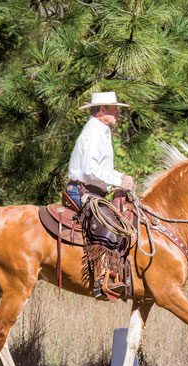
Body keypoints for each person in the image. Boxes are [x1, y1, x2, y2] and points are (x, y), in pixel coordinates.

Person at [66, 91, 134, 299]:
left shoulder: (100, 130)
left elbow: (100, 169)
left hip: (93, 190)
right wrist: (118, 181)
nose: (118, 112)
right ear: (102, 110)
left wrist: (122, 177)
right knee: (107, 221)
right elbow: (90, 170)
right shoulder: (94, 132)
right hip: (83, 191)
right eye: (114, 108)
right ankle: (102, 279)